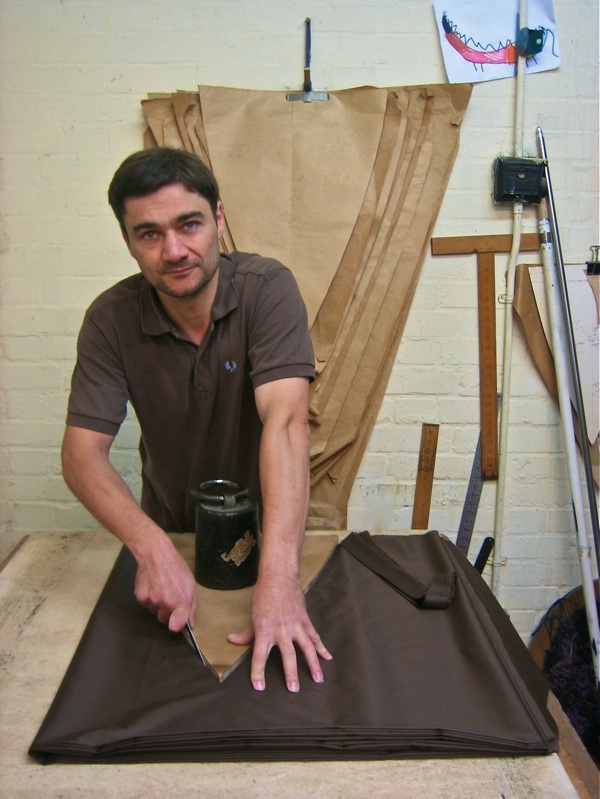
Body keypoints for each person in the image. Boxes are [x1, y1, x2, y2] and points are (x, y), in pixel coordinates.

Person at [61, 147, 332, 693]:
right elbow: (81, 453)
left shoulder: (267, 290)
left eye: (190, 224)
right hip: (173, 533)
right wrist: (151, 546)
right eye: (149, 233)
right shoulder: (110, 320)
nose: (174, 251)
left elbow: (285, 423)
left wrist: (280, 577)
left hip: (273, 534)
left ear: (219, 219)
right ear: (127, 241)